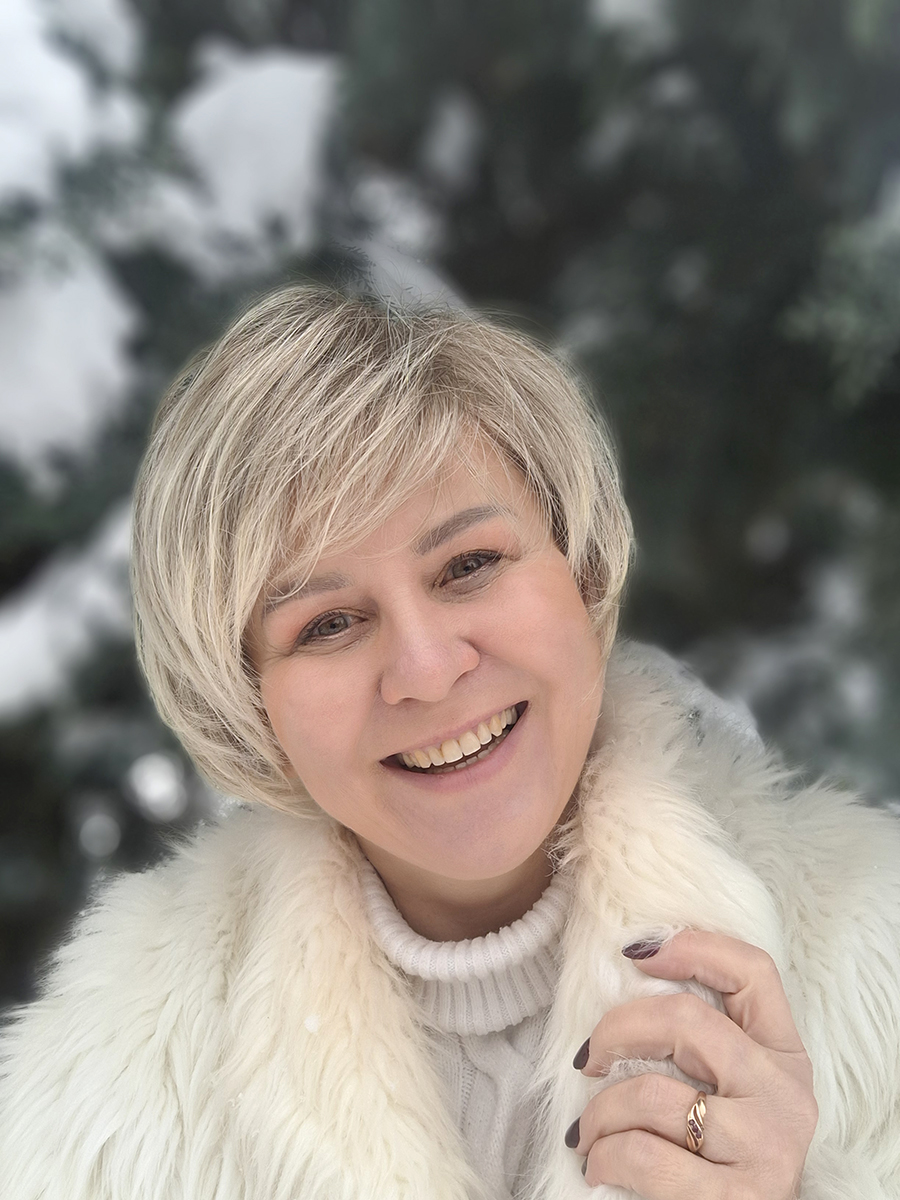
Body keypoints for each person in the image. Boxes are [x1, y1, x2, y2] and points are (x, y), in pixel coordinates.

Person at [1, 286, 898, 1200]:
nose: (426, 671)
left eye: (469, 565)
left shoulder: (877, 951)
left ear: (583, 570)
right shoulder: (102, 1096)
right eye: (328, 624)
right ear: (244, 705)